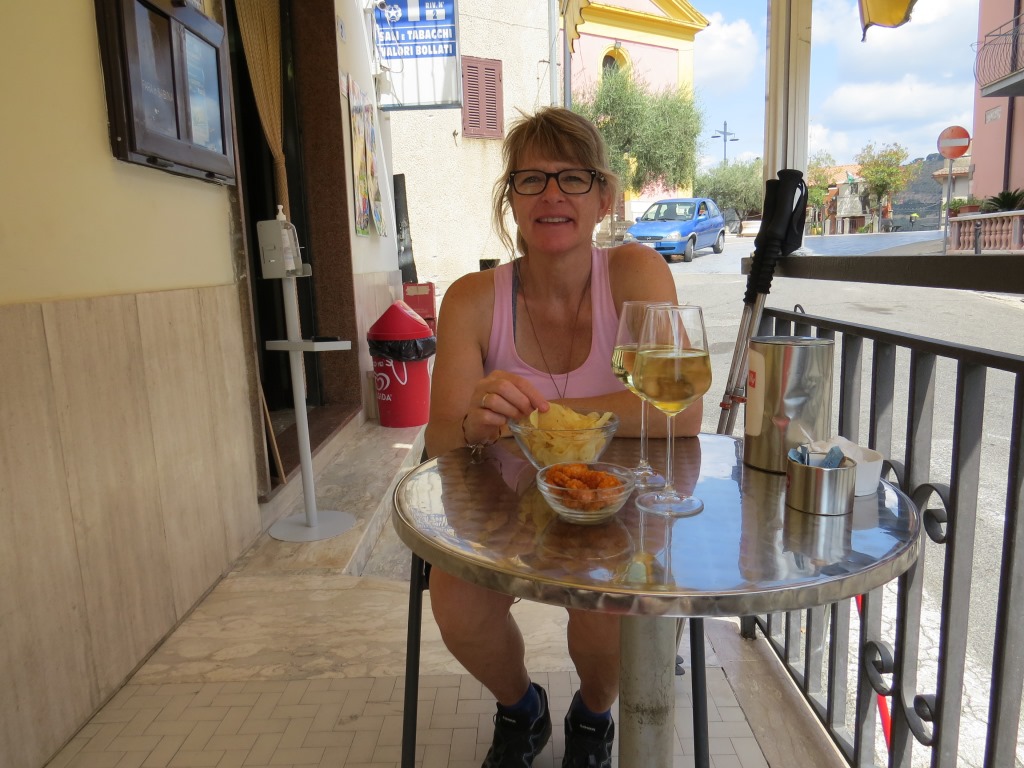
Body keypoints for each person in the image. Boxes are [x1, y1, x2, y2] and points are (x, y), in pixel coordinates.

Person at [423, 106, 703, 768]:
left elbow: (681, 412)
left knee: (611, 615)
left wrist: (541, 416)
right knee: (458, 606)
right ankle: (521, 708)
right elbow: (440, 440)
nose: (552, 194)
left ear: (603, 197)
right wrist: (473, 422)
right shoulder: (471, 298)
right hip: (503, 504)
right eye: (531, 179)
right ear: (511, 200)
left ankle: (592, 716)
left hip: (621, 503)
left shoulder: (635, 271)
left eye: (573, 178)